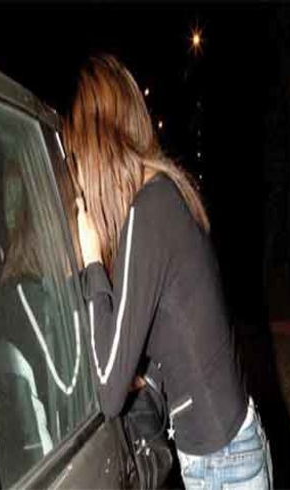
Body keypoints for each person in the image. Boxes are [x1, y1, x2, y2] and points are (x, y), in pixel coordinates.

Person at [64, 54, 271, 489]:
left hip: (221, 463)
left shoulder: (148, 211)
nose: (78, 173)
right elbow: (176, 326)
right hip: (231, 445)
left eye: (77, 155)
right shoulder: (163, 195)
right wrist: (145, 375)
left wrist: (92, 262)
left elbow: (108, 391)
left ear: (97, 142)